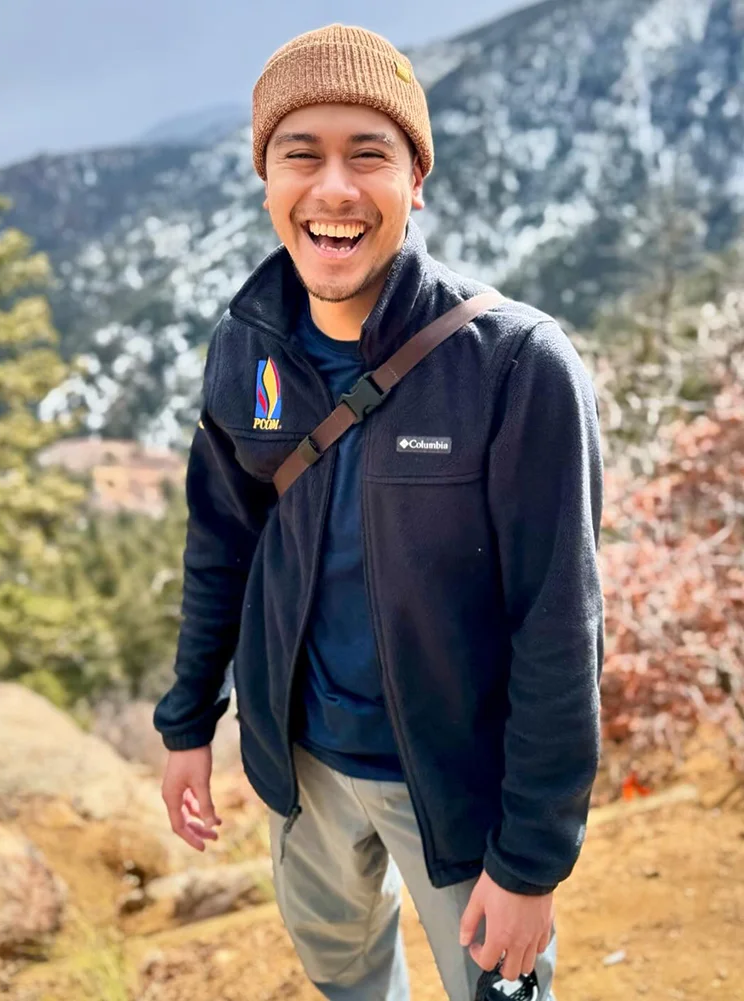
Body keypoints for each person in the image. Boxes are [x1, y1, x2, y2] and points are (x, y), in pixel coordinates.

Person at [153, 23, 603, 1001]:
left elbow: (559, 625)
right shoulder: (247, 347)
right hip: (301, 769)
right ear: (266, 179)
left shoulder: (514, 365)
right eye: (299, 155)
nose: (334, 189)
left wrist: (531, 861)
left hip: (456, 790)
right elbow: (222, 544)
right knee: (347, 978)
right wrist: (188, 720)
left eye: (368, 154)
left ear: (415, 179)